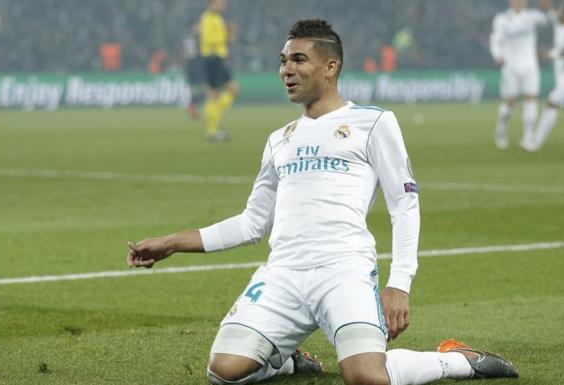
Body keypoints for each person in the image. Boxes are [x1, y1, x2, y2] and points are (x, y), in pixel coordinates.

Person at [128, 20, 519, 385]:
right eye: (283, 61)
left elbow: (404, 205)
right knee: (223, 371)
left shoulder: (374, 123)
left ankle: (458, 360)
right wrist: (171, 243)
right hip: (283, 274)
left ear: (331, 67)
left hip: (344, 271)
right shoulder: (279, 139)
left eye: (299, 59)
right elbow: (251, 223)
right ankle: (287, 359)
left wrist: (399, 284)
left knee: (366, 377)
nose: (286, 70)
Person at [489, 0, 552, 150]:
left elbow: (546, 19)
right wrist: (498, 55)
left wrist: (545, 6)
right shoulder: (502, 18)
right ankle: (501, 130)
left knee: (531, 99)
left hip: (529, 65)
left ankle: (528, 136)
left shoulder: (532, 16)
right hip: (510, 65)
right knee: (510, 102)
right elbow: (495, 39)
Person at [526, 2, 564, 151]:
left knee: (552, 103)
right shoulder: (559, 23)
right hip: (561, 76)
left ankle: (535, 143)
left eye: (562, 11)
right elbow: (549, 11)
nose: (559, 12)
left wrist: (550, 55)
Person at [199, 0, 239, 141]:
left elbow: (225, 40)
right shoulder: (207, 18)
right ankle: (211, 129)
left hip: (218, 59)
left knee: (231, 91)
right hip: (212, 58)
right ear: (212, 3)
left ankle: (212, 117)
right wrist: (225, 34)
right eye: (221, 2)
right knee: (215, 94)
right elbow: (210, 39)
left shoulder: (218, 18)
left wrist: (229, 34)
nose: (223, 5)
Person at [183, 21, 206, 119]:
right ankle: (193, 108)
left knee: (198, 88)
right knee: (203, 87)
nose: (198, 28)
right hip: (194, 63)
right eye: (197, 26)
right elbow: (193, 52)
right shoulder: (194, 38)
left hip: (193, 63)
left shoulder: (190, 37)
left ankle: (193, 108)